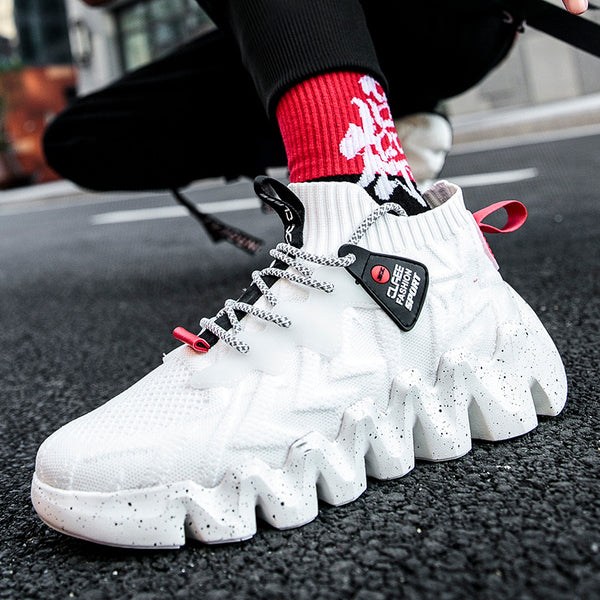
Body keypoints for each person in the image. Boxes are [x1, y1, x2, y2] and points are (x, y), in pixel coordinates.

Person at [32, 0, 586, 548]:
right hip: (311, 18)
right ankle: (353, 125)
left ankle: (374, 199)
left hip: (447, 23)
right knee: (80, 139)